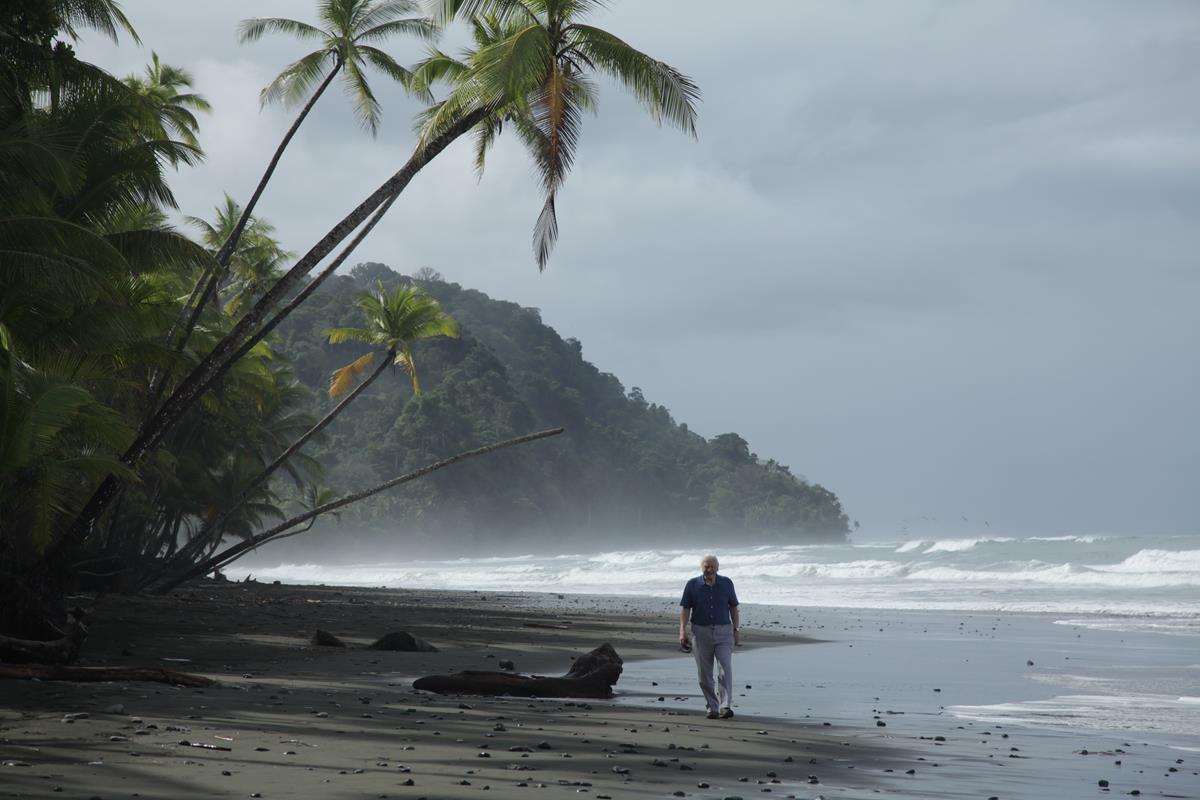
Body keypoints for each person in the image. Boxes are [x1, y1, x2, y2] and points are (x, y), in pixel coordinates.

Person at [678, 553, 740, 719]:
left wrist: (736, 629)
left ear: (718, 568)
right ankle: (712, 707)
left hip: (724, 632)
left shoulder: (727, 583)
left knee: (725, 668)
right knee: (704, 674)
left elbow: (734, 607)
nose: (709, 569)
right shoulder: (692, 585)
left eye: (712, 566)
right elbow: (685, 609)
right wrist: (682, 631)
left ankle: (725, 706)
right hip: (700, 632)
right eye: (706, 566)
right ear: (702, 568)